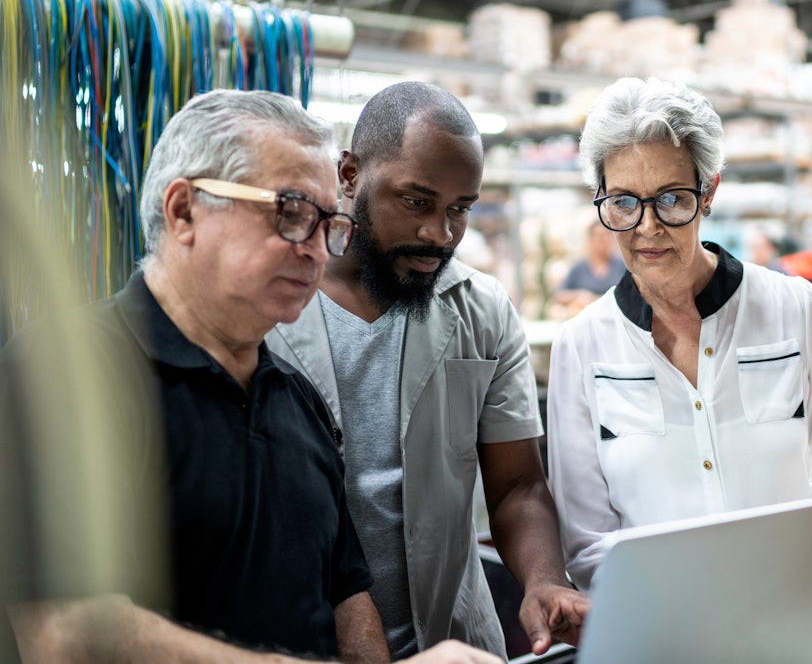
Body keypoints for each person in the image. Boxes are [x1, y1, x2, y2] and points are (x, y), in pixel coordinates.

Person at [2, 90, 498, 663]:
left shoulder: (297, 401)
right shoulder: (67, 379)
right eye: (290, 214)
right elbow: (70, 636)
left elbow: (347, 600)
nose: (315, 249)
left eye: (327, 224)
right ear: (183, 210)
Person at [267, 82, 588, 659]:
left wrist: (544, 578)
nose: (439, 235)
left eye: (459, 209)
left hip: (453, 641)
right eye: (417, 202)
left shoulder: (483, 310)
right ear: (349, 174)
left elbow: (517, 484)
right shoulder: (270, 305)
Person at [545, 77, 812, 590]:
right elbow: (588, 542)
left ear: (709, 191)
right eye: (624, 203)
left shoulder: (792, 309)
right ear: (600, 198)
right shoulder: (582, 345)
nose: (647, 227)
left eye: (672, 199)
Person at [552, 220, 628, 317]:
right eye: (598, 237)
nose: (602, 241)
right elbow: (558, 294)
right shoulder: (579, 268)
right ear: (590, 239)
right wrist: (579, 295)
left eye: (606, 236)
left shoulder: (621, 266)